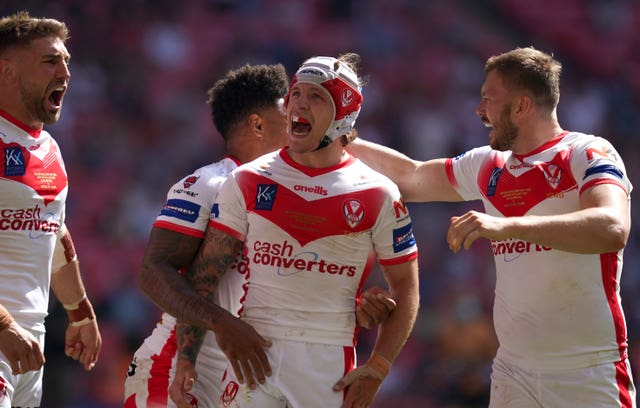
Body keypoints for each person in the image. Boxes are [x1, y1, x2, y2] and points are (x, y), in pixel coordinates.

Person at [346, 46, 637, 407]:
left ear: (521, 107)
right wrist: (343, 141)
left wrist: (508, 226)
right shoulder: (488, 165)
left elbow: (611, 227)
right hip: (513, 372)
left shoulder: (588, 153)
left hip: (588, 370)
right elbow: (412, 175)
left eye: (488, 99)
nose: (479, 110)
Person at [142, 52, 420, 408]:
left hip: (327, 365)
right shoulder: (247, 180)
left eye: (316, 96)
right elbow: (203, 276)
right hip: (253, 357)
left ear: (344, 114)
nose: (298, 104)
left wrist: (378, 367)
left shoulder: (378, 192)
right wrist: (186, 361)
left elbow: (407, 288)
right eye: (296, 93)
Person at [0, 11, 102, 408]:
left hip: (30, 347)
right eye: (49, 61)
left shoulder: (48, 149)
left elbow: (52, 230)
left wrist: (80, 312)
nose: (65, 72)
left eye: (66, 62)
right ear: (6, 71)